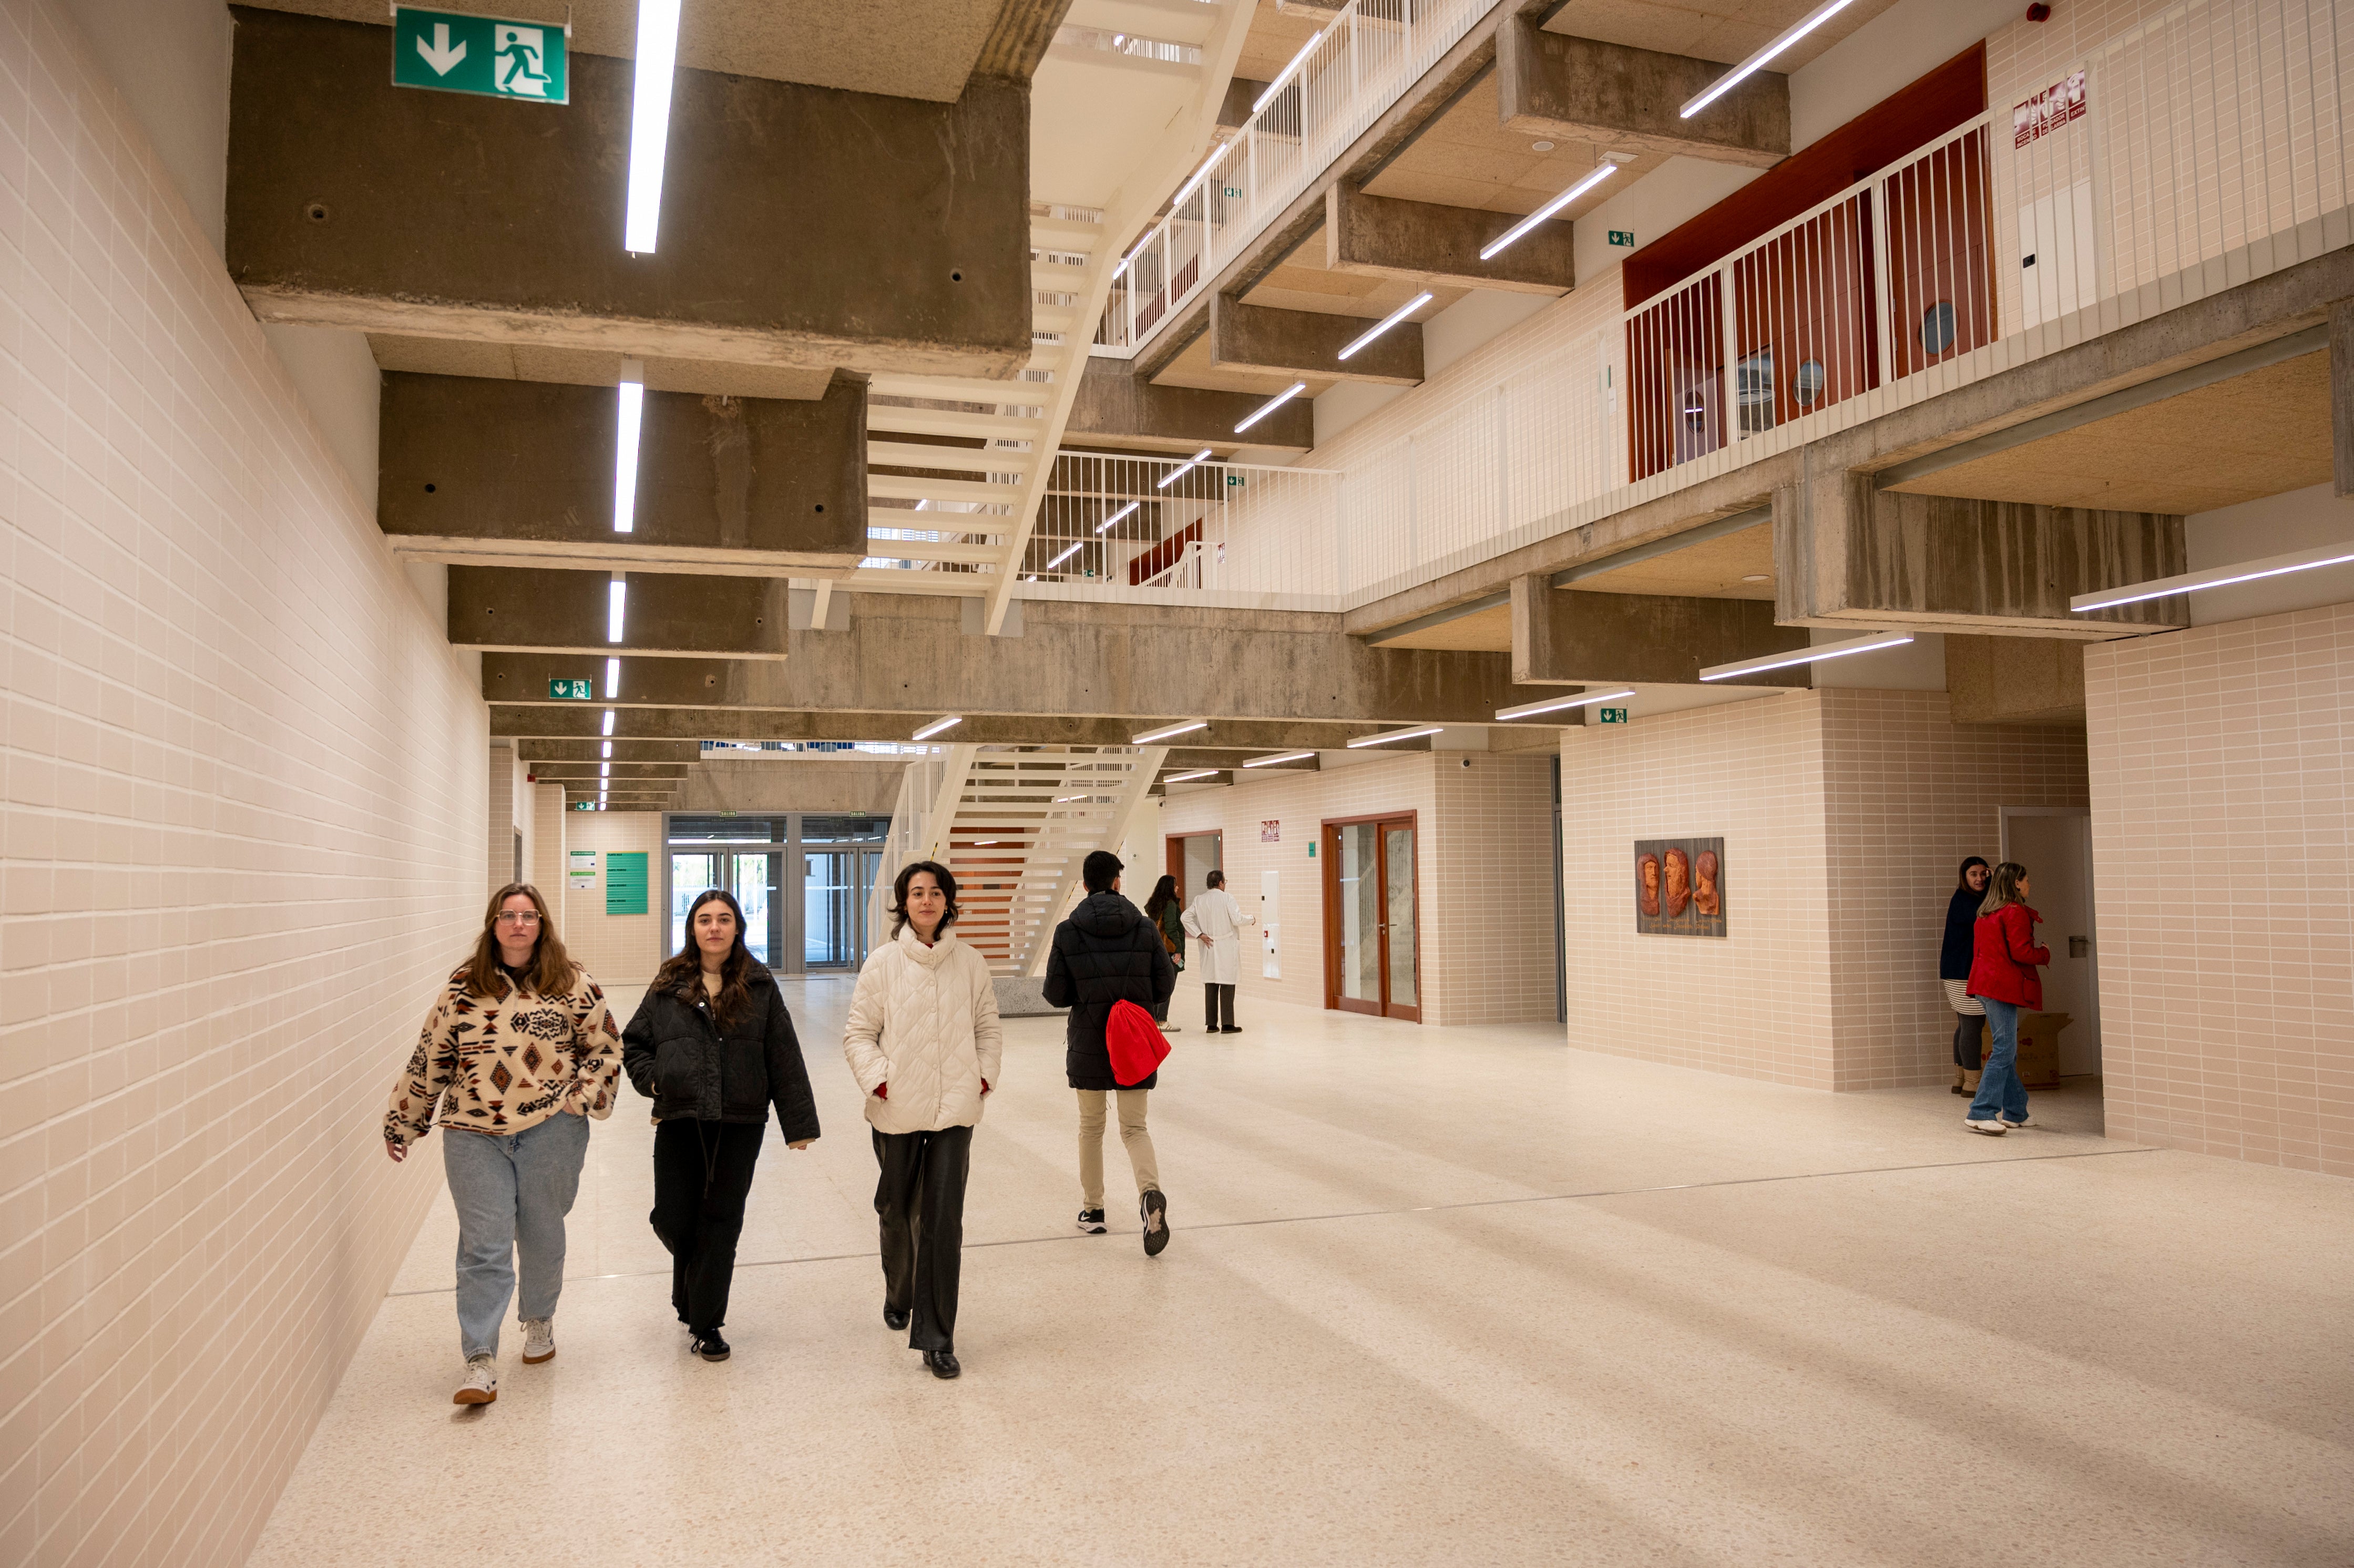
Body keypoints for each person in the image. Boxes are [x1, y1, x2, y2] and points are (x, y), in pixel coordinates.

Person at [382, 883, 622, 1407]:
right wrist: (404, 1120)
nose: (518, 924)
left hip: (551, 1130)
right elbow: (431, 1056)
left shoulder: (572, 982)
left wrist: (579, 1100)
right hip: (473, 1132)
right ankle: (480, 1357)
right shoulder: (463, 988)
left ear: (542, 925)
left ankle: (538, 1320)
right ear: (493, 924)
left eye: (528, 916)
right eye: (508, 915)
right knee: (482, 1244)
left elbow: (604, 1046)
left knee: (541, 1231)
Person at [623, 888, 819, 1362]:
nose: (715, 927)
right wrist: (655, 1084)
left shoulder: (760, 983)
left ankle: (707, 1321)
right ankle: (692, 1287)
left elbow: (783, 1054)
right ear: (692, 927)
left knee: (722, 1219)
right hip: (680, 1116)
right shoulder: (670, 982)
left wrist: (799, 1123)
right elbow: (634, 1043)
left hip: (740, 1119)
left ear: (737, 928)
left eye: (724, 919)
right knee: (673, 1216)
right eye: (705, 919)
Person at [842, 861, 1002, 1381]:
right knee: (896, 1210)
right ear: (903, 903)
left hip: (955, 1109)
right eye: (917, 893)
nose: (927, 901)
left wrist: (981, 1076)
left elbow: (987, 1028)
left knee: (941, 1220)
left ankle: (937, 1337)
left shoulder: (971, 963)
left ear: (947, 901)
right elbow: (858, 1034)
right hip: (896, 1109)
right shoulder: (883, 963)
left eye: (936, 892)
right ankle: (899, 1289)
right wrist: (881, 1081)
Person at [1043, 850, 1176, 1253]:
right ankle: (1149, 1194)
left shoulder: (1068, 931)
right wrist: (1135, 1001)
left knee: (1092, 1127)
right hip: (1132, 1039)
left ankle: (1094, 1210)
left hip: (1089, 1043)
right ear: (1118, 882)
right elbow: (1164, 983)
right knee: (1135, 1128)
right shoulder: (1142, 927)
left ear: (1084, 885)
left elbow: (1055, 993)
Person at [1964, 861, 2049, 1136]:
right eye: (2026, 880)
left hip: (1985, 985)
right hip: (2000, 987)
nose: (2029, 885)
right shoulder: (2013, 912)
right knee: (2004, 1050)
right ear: (2016, 883)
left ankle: (2016, 1112)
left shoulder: (1986, 911)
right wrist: (2044, 953)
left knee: (2007, 1050)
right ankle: (1981, 1112)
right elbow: (2021, 953)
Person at [1941, 857, 1992, 1095]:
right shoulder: (1967, 901)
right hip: (1963, 971)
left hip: (1957, 970)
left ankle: (1961, 1079)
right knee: (1972, 1025)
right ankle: (1974, 1083)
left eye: (1984, 874)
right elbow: (1990, 912)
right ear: (1964, 877)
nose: (1980, 879)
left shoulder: (1967, 898)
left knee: (1964, 1025)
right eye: (1974, 874)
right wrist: (1996, 883)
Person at [1180, 868, 1246, 1033]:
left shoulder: (1199, 900)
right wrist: (1251, 919)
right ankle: (1228, 1024)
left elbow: (1185, 917)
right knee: (1227, 984)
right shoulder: (1227, 898)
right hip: (1226, 946)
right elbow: (1237, 919)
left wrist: (1199, 934)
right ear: (1221, 883)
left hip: (1208, 945)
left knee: (1210, 984)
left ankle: (1211, 1024)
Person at [1142, 874, 1186, 1033]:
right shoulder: (1170, 905)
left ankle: (1153, 1019)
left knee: (1157, 984)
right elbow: (1172, 928)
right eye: (1175, 885)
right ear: (1169, 887)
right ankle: (1162, 1020)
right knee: (1169, 985)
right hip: (1170, 951)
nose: (1178, 887)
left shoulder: (1154, 904)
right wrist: (1179, 951)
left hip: (1156, 949)